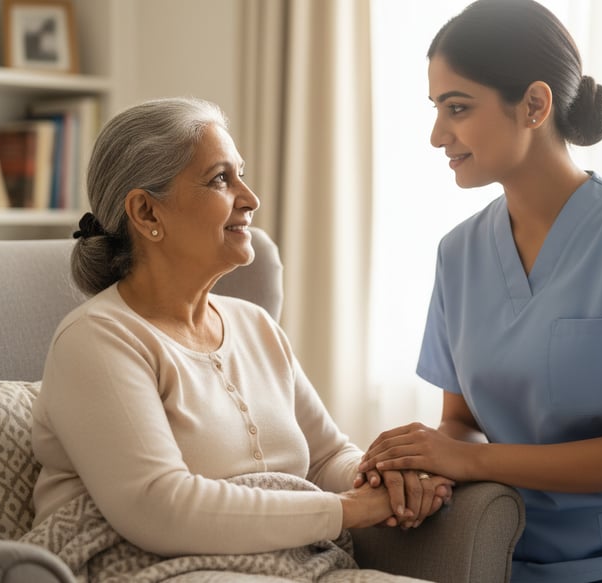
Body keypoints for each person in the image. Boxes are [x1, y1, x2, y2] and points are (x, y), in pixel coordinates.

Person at [358, 1, 602, 581]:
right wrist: (426, 467)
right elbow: (459, 421)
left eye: (457, 108)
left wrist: (468, 459)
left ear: (534, 104)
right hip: (510, 548)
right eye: (436, 109)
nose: (438, 134)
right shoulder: (457, 253)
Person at [29, 97, 450, 580]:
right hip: (157, 569)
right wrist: (349, 510)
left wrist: (385, 480)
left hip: (290, 565)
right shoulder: (96, 340)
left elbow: (328, 456)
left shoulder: (255, 326)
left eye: (241, 175)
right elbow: (159, 507)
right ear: (146, 212)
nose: (249, 198)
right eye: (220, 179)